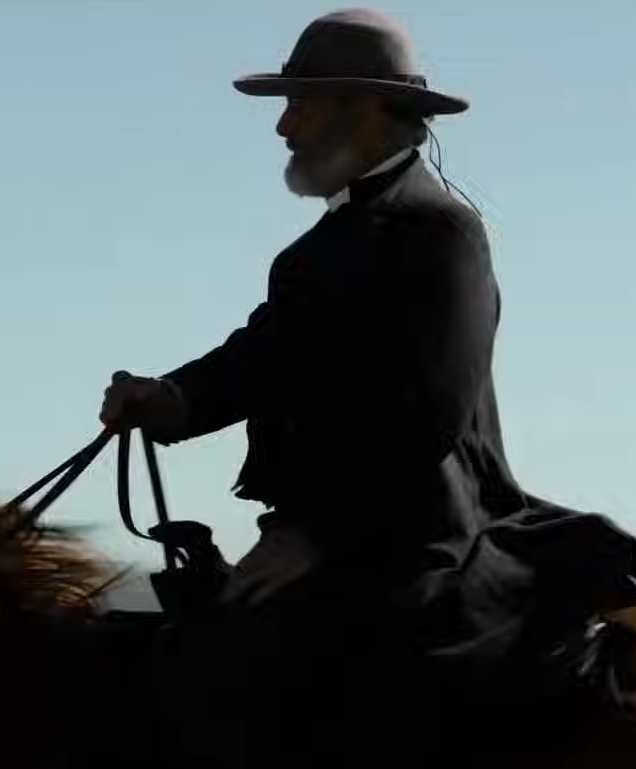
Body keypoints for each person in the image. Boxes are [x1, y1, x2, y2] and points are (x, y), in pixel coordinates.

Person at [98, 8, 636, 767]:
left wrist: (315, 532)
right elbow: (258, 357)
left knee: (316, 687)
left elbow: (429, 414)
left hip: (422, 538)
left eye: (300, 102)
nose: (282, 127)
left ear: (367, 108)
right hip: (337, 534)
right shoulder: (315, 252)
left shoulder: (441, 232)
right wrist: (169, 398)